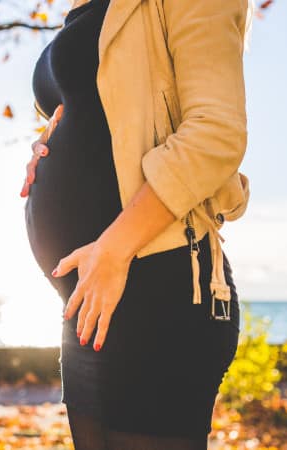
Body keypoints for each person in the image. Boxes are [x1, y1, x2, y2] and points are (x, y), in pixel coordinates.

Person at [20, 0, 253, 448]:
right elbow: (98, 115)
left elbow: (216, 132)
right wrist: (46, 146)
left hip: (157, 286)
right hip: (89, 297)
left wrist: (114, 248)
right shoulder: (83, 7)